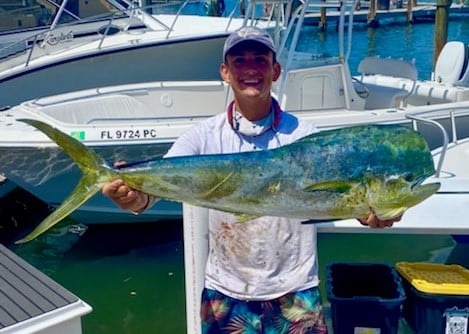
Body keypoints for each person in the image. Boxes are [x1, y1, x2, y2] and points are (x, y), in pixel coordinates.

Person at [102, 27, 401, 333]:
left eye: (259, 60)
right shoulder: (202, 137)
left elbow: (344, 198)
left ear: (275, 70)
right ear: (225, 72)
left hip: (295, 293)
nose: (250, 69)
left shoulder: (306, 139)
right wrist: (132, 197)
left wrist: (374, 212)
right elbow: (150, 193)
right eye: (239, 61)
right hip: (226, 293)